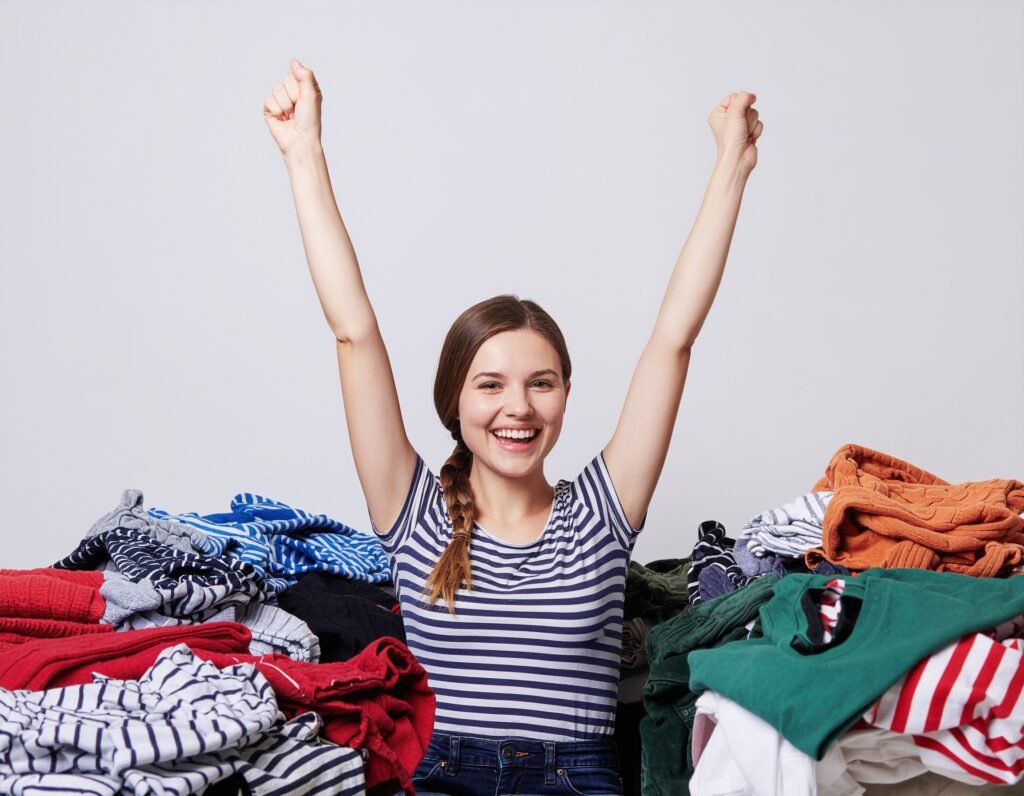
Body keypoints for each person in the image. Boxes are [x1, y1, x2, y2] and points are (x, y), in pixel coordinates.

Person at [264, 58, 762, 796]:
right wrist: (304, 153)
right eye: (491, 385)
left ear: (565, 396)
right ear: (456, 401)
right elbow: (353, 332)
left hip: (576, 777)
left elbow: (673, 339)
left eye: (541, 383)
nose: (519, 407)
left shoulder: (600, 512)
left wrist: (731, 166)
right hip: (440, 776)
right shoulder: (415, 511)